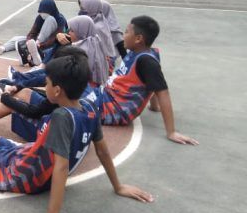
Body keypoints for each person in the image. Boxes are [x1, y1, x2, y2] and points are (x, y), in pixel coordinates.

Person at [0, 54, 154, 213]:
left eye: (47, 83)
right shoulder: (89, 108)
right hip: (30, 154)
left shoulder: (62, 117)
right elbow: (103, 151)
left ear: (57, 90)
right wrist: (118, 186)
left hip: (23, 172)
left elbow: (61, 167)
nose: (45, 86)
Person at [85, 16, 198, 145]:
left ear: (138, 39)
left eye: (126, 32)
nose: (123, 36)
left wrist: (171, 132)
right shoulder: (139, 52)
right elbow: (152, 84)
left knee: (69, 97)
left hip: (112, 108)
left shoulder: (146, 61)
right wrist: (154, 106)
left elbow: (162, 92)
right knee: (75, 82)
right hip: (106, 95)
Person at [0, 0, 67, 65]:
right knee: (17, 39)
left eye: (45, 12)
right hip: (38, 41)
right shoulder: (40, 17)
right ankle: (1, 48)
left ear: (51, 10)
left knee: (50, 20)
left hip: (51, 43)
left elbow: (55, 37)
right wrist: (29, 41)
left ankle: (32, 52)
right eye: (41, 11)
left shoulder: (60, 19)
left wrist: (40, 44)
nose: (42, 14)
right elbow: (32, 32)